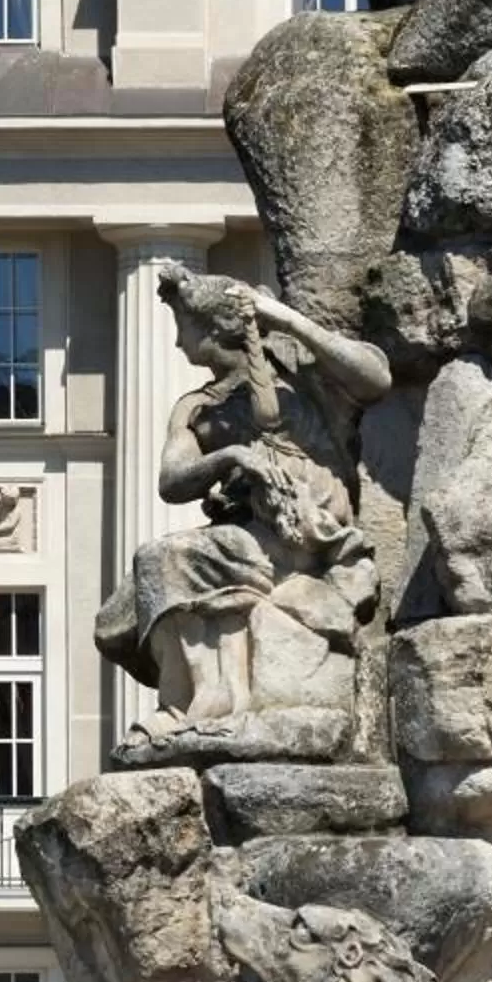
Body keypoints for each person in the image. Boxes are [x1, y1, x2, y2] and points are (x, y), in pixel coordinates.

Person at [98, 264, 387, 748]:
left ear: (214, 329)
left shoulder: (299, 370)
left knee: (168, 560)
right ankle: (199, 698)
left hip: (312, 530)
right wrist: (230, 457)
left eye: (183, 328)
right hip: (254, 533)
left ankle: (202, 700)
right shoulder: (197, 406)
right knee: (157, 563)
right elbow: (171, 481)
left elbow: (375, 379)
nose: (177, 344)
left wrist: (285, 318)